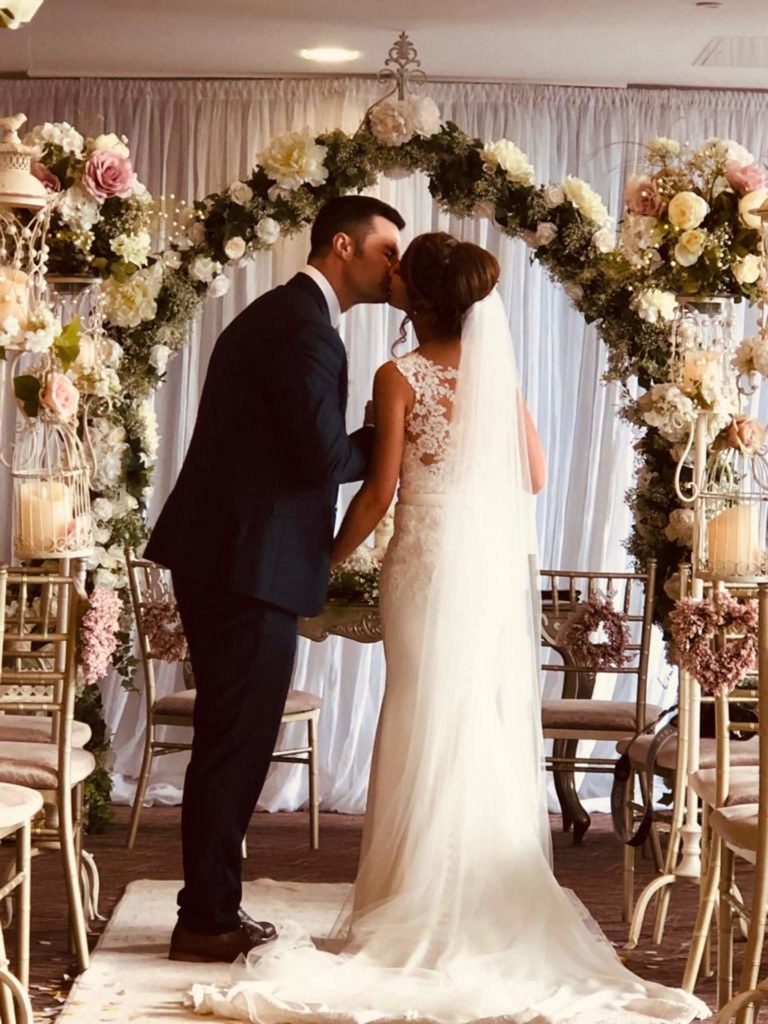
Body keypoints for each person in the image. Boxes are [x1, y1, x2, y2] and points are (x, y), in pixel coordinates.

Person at [190, 233, 708, 1022]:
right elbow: (532, 475)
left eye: (403, 270)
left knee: (421, 713)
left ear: (420, 297)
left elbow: (374, 495)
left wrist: (323, 564)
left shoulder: (398, 375)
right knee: (477, 719)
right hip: (484, 570)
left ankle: (414, 893)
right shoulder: (496, 376)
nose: (392, 276)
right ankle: (474, 891)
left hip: (425, 565)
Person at [144, 195, 404, 963]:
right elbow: (321, 460)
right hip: (244, 562)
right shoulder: (301, 330)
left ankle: (211, 908)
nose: (397, 265)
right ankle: (206, 921)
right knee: (236, 744)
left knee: (236, 741)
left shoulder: (292, 320)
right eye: (387, 249)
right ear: (342, 246)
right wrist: (390, 430)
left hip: (236, 556)